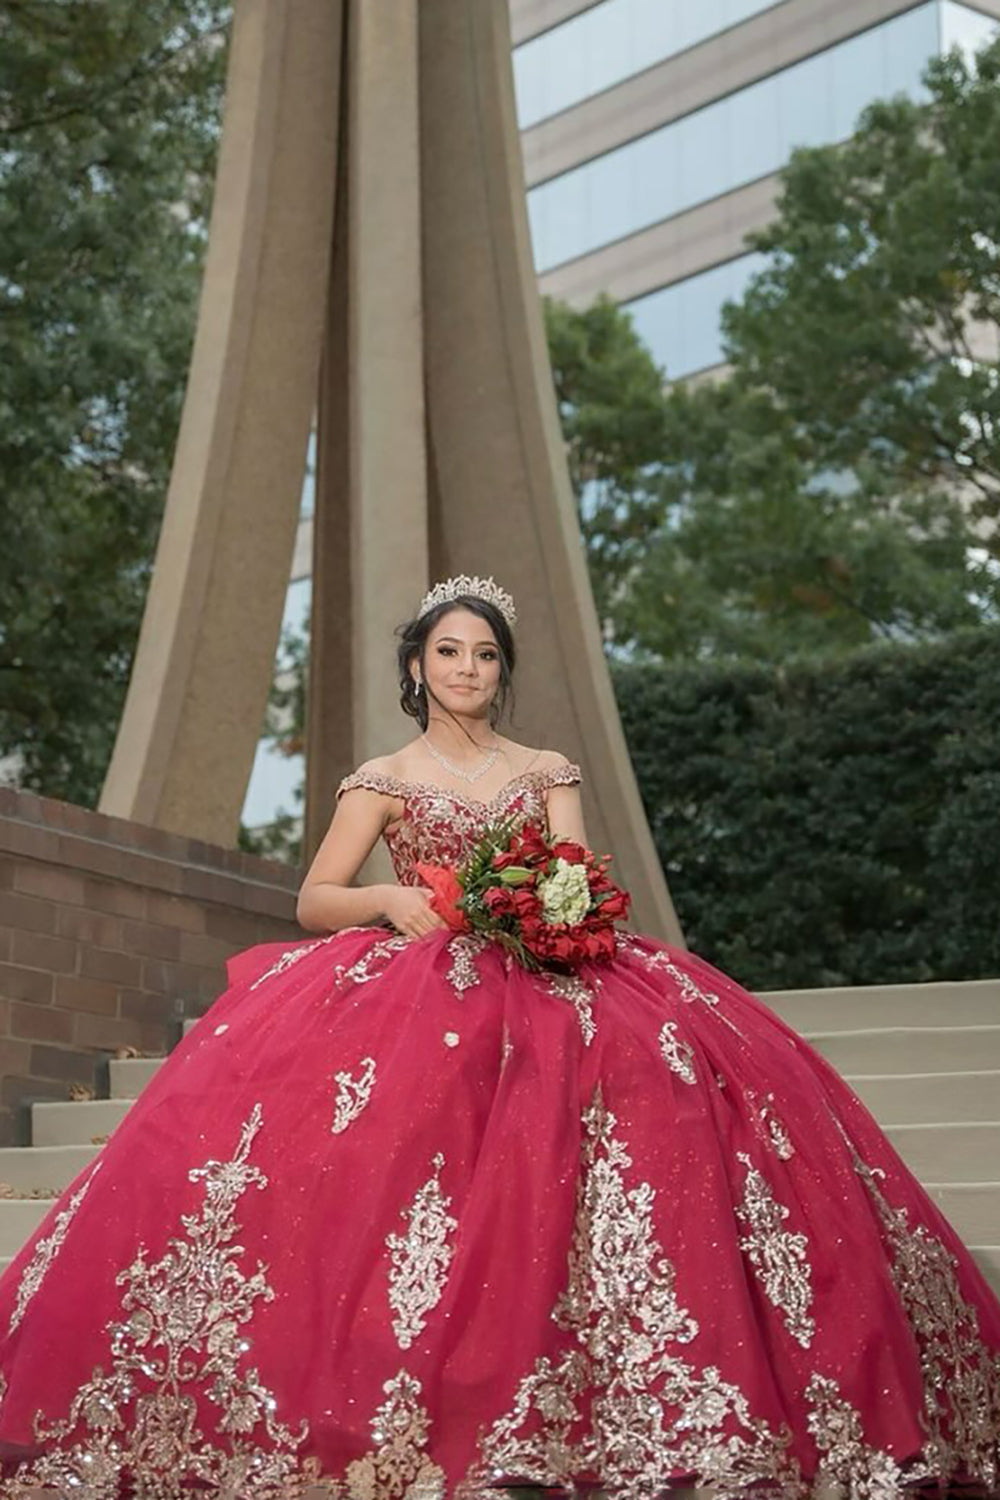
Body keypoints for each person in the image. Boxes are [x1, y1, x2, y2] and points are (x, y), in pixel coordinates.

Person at [0, 573, 997, 1500]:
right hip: (422, 974)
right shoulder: (381, 780)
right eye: (448, 653)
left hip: (554, 966)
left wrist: (561, 912)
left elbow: (574, 873)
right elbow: (314, 899)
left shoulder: (546, 768)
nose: (467, 669)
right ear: (415, 669)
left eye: (483, 655)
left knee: (662, 1079)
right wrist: (389, 898)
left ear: (499, 671)